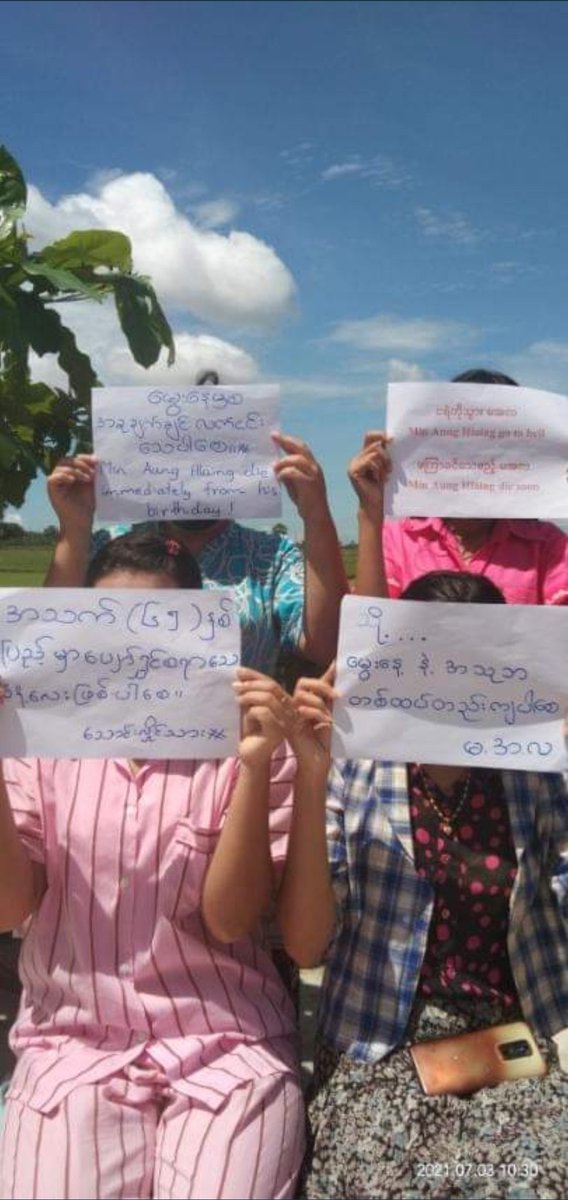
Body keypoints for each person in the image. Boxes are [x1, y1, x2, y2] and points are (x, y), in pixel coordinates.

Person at [0, 530, 307, 1200]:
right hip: (71, 1049)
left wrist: (255, 766)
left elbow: (231, 921)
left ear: (200, 636)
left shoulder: (248, 744)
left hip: (226, 1048)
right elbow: (9, 907)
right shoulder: (39, 742)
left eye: (158, 629)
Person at [276, 570, 568, 1200]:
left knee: (533, 1183)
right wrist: (311, 773)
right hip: (377, 1044)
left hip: (512, 1041)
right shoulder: (354, 768)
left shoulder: (534, 769)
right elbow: (304, 946)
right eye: (431, 665)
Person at [44, 372, 347, 673]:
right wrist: (75, 527)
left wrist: (315, 513)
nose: (195, 473)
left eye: (215, 457)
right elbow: (49, 640)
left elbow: (326, 646)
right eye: (176, 458)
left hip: (237, 706)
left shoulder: (272, 557)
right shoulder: (110, 547)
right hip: (115, 702)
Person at [353, 369, 568, 605]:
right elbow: (369, 619)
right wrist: (370, 514)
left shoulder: (549, 545)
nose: (479, 460)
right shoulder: (397, 539)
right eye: (465, 441)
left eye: (497, 445)